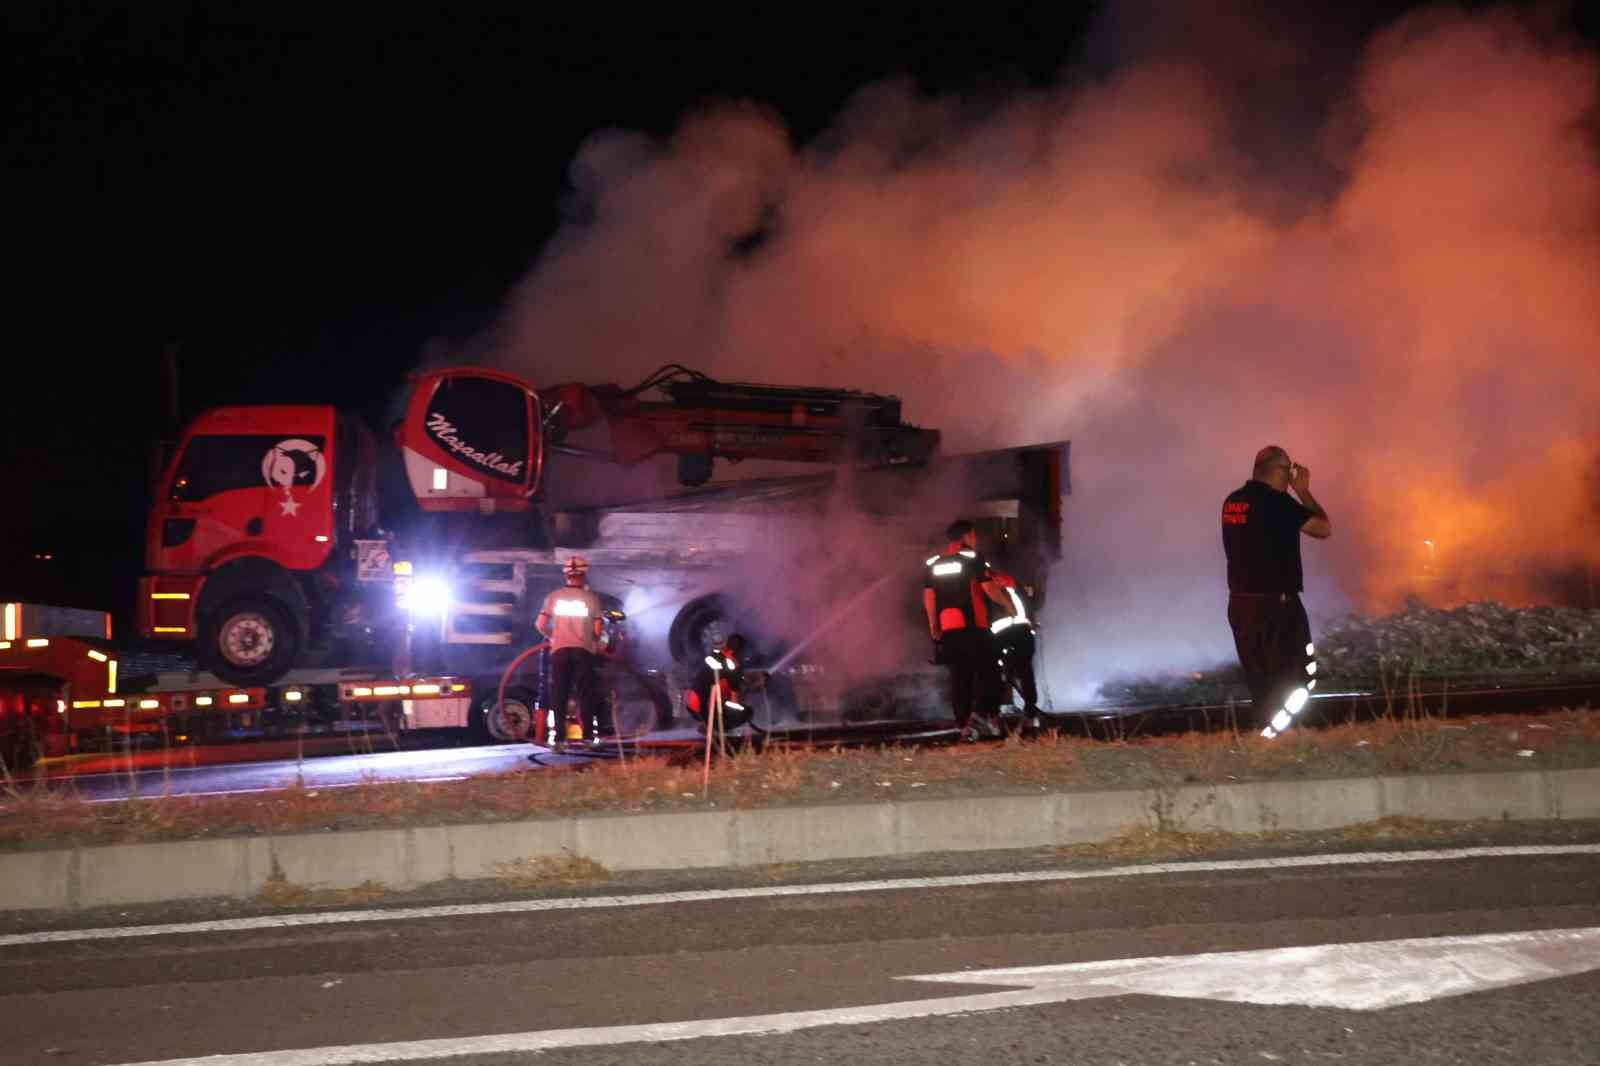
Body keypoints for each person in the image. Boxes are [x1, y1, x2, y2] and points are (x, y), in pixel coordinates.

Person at [1221, 446, 1332, 739]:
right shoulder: (1277, 502)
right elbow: (1323, 528)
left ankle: (1267, 736)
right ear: (1279, 471)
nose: (1293, 476)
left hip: (1241, 605)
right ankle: (1286, 736)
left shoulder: (1233, 502)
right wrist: (1304, 491)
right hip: (1278, 608)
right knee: (1299, 678)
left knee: (1261, 681)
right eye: (1290, 470)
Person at [923, 520, 1011, 742]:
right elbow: (988, 588)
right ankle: (981, 715)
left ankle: (964, 727)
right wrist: (1008, 605)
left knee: (959, 679)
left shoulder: (934, 564)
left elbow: (929, 597)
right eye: (974, 535)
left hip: (949, 630)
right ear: (968, 536)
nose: (976, 539)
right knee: (990, 674)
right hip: (974, 627)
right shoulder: (973, 559)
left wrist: (934, 624)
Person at [530, 555, 604, 753]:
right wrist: (595, 642)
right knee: (585, 694)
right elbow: (597, 630)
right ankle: (588, 738)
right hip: (584, 652)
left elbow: (540, 625)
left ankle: (559, 741)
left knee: (559, 694)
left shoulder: (554, 597)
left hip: (560, 652)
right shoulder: (591, 599)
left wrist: (554, 638)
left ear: (566, 575)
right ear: (584, 574)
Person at [988, 559, 1042, 737]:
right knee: (1025, 673)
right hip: (1023, 632)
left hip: (1001, 634)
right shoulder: (1013, 582)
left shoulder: (990, 583)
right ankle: (1030, 715)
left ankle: (994, 716)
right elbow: (1031, 604)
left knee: (996, 675)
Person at [685, 634, 757, 740]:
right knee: (746, 712)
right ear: (739, 650)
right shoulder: (731, 664)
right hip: (704, 705)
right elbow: (734, 691)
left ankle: (713, 726)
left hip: (696, 703)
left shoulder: (720, 657)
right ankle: (715, 729)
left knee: (737, 709)